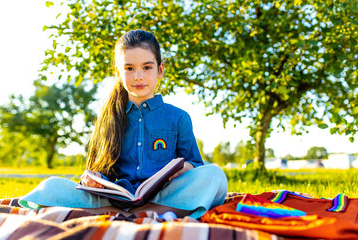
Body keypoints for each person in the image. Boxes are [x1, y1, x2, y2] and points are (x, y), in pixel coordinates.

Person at [19, 30, 228, 218]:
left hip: (162, 196)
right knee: (51, 186)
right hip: (114, 197)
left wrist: (186, 168)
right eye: (129, 68)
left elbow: (196, 164)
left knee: (214, 175)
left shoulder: (179, 118)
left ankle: (130, 213)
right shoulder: (108, 116)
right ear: (118, 73)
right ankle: (123, 211)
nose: (138, 76)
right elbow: (96, 171)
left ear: (160, 69)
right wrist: (91, 179)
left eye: (147, 67)